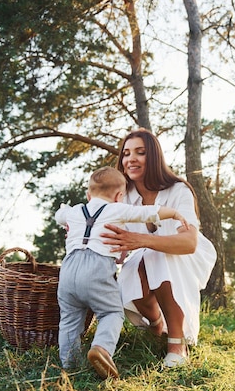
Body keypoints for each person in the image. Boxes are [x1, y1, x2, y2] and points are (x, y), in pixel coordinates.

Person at [55, 166, 189, 379]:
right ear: (119, 196)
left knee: (69, 319)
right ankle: (102, 348)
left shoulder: (74, 212)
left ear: (89, 195)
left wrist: (68, 224)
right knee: (111, 313)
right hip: (96, 269)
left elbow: (59, 215)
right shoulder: (116, 209)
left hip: (68, 270)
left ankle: (70, 365)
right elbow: (146, 212)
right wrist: (172, 212)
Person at [101, 128, 217, 368]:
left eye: (140, 153)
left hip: (186, 255)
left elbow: (189, 243)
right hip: (146, 255)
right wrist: (83, 230)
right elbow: (110, 231)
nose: (130, 159)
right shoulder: (123, 195)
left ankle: (177, 344)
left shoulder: (178, 190)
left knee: (159, 258)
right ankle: (156, 325)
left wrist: (141, 241)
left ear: (153, 157)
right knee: (131, 273)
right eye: (126, 154)